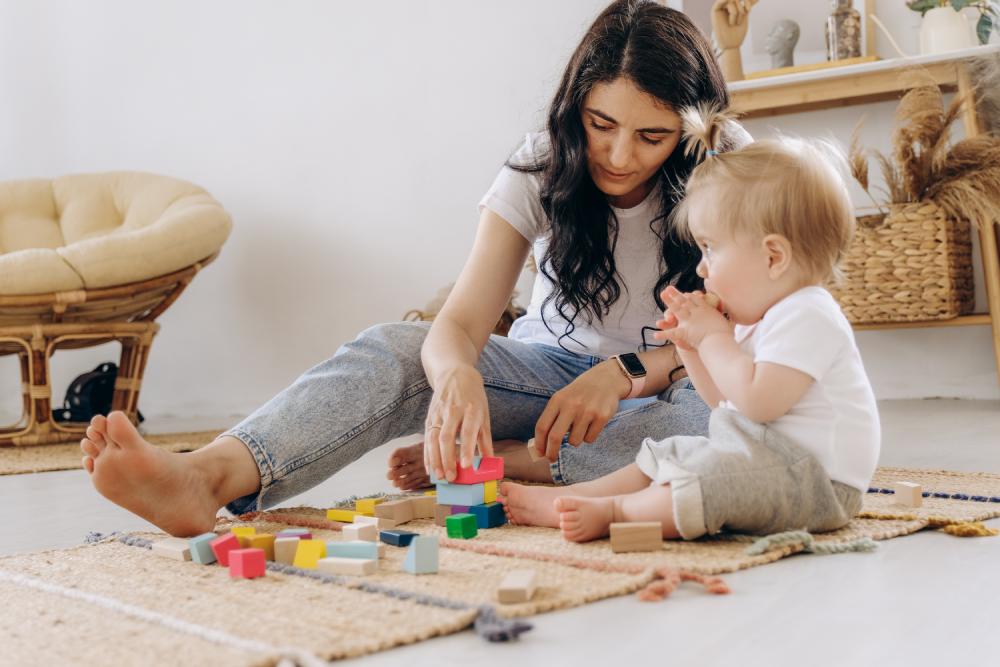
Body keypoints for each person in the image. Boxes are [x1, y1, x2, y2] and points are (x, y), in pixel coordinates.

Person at [79, 0, 749, 538]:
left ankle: (521, 465)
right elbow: (458, 321)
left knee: (728, 425)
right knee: (398, 351)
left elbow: (748, 326)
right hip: (546, 386)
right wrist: (456, 375)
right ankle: (209, 475)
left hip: (675, 384)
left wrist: (629, 369)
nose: (620, 155)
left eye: (651, 137)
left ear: (691, 131)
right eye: (601, 123)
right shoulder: (545, 162)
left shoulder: (731, 162)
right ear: (576, 104)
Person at [500, 104, 881, 542]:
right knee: (671, 451)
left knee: (706, 476)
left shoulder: (809, 313)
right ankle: (584, 494)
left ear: (773, 257)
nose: (701, 269)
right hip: (768, 459)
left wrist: (715, 336)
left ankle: (616, 512)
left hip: (817, 483)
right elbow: (725, 404)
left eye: (711, 250)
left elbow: (758, 404)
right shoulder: (765, 318)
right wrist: (690, 349)